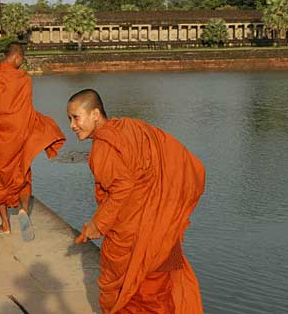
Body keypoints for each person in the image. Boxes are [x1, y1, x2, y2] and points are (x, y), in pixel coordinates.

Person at [68, 89, 205, 314]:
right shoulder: (132, 127)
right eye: (70, 119)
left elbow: (122, 187)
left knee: (127, 297)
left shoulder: (103, 148)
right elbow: (180, 158)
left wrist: (97, 224)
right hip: (162, 231)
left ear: (95, 114)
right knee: (161, 295)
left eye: (76, 117)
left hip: (134, 239)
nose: (72, 125)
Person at [0, 42, 65, 240]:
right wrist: (39, 127)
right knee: (24, 174)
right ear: (17, 57)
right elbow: (26, 112)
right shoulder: (24, 79)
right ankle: (23, 210)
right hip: (18, 137)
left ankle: (5, 225)